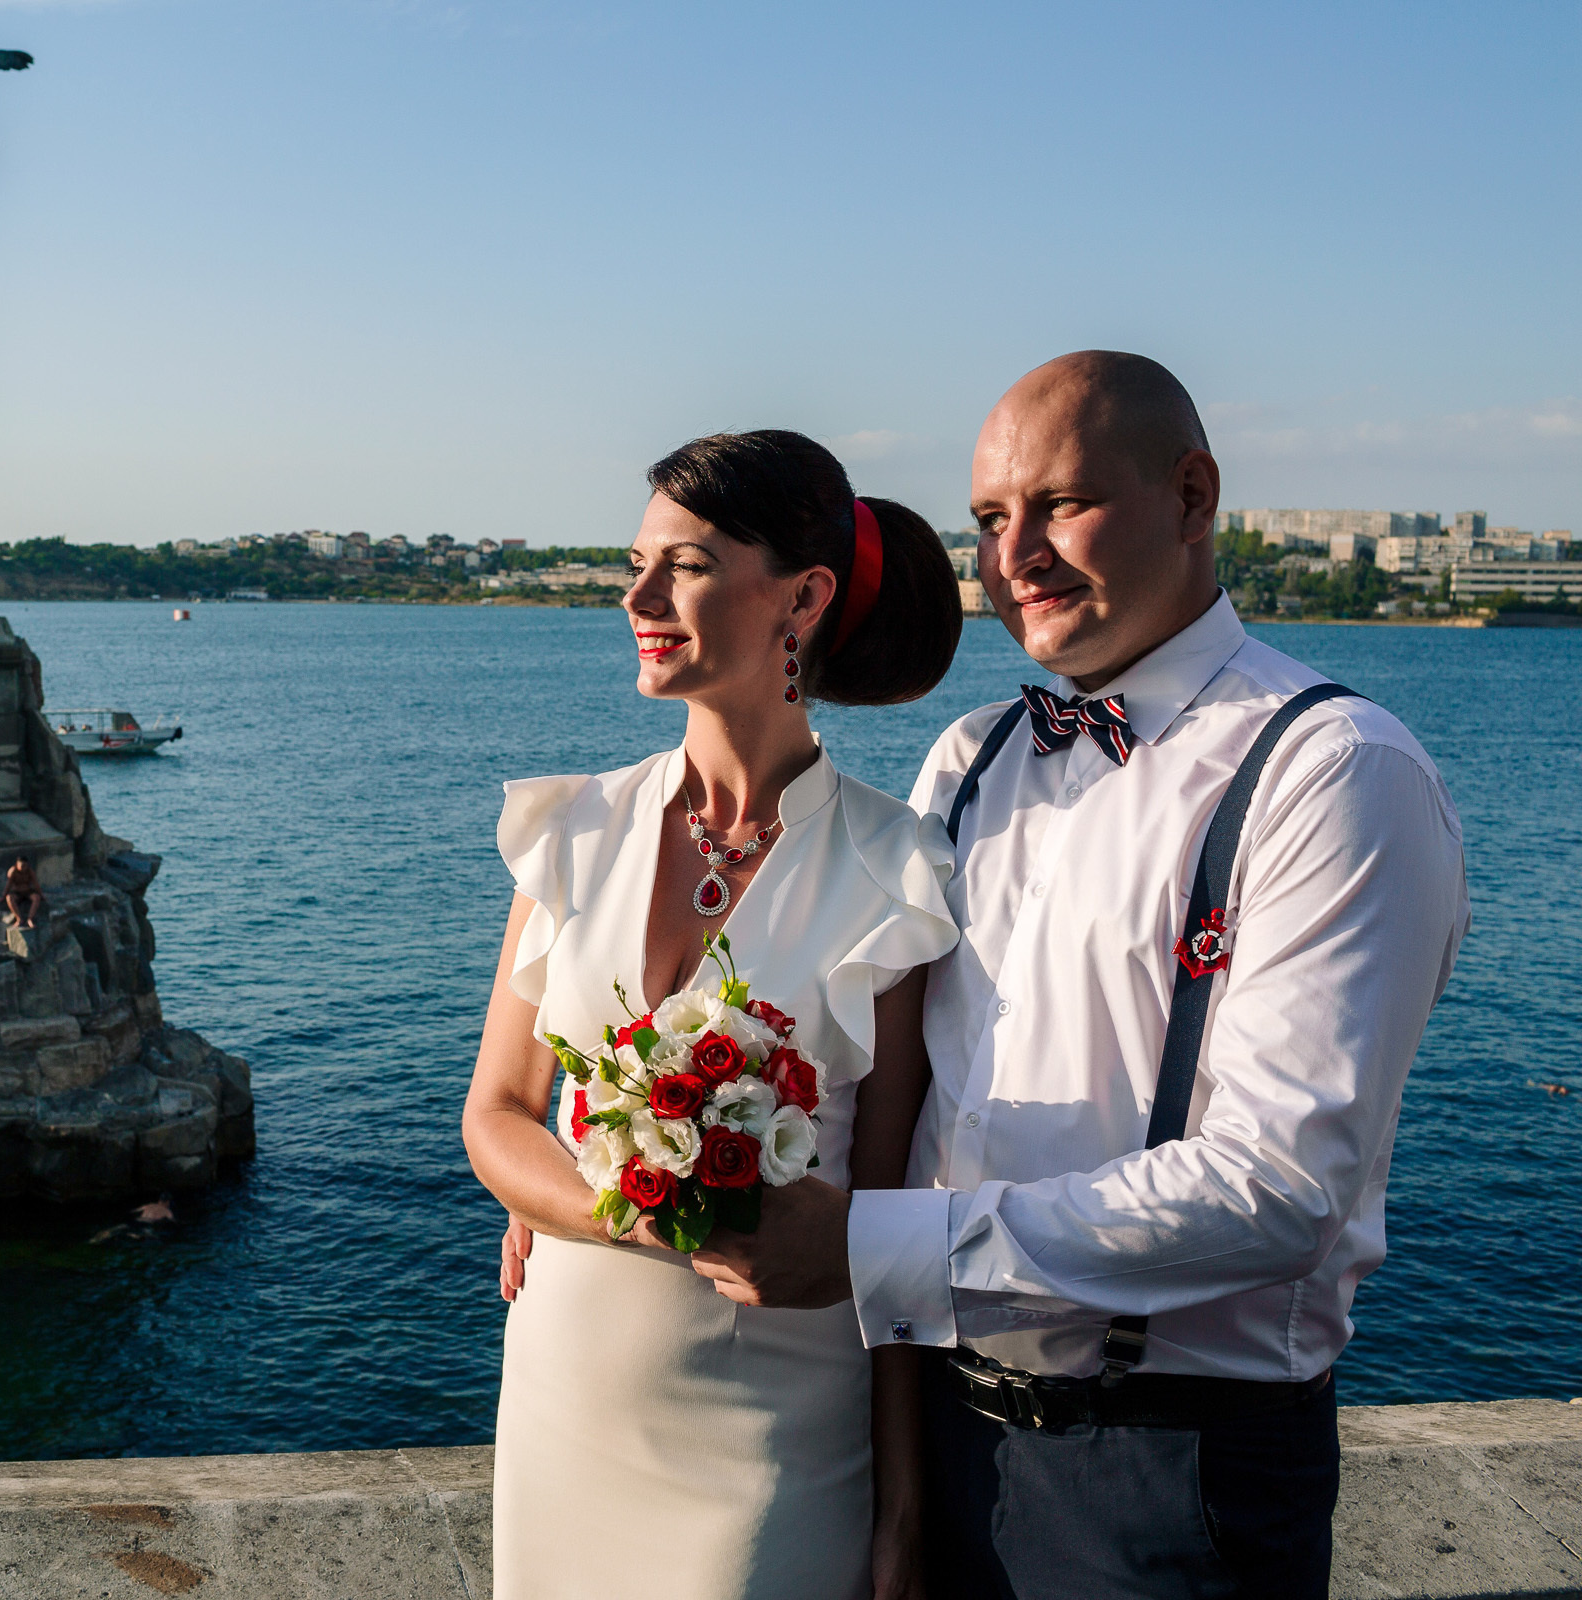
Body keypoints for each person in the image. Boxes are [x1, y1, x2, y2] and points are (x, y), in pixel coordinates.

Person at [676, 353, 1469, 1598]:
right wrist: (612, 1156)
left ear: (1193, 494)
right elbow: (879, 1081)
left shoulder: (1335, 771)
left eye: (1063, 505)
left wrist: (874, 1245)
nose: (1017, 556)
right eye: (991, 519)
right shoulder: (968, 758)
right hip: (938, 1434)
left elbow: (1280, 1188)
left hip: (1172, 1473)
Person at [465, 430, 965, 1599]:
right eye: (636, 563)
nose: (638, 596)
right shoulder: (572, 829)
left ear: (803, 597)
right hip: (562, 1400)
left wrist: (904, 1509)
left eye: (685, 566)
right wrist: (642, 1211)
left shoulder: (896, 871)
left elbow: (890, 1218)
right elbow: (497, 1115)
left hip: (772, 1434)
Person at [3, 856, 43, 929]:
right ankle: (19, 919)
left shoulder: (30, 872)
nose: (24, 868)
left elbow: (36, 884)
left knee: (36, 898)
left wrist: (41, 895)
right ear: (17, 864)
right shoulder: (13, 871)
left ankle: (30, 919)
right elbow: (8, 885)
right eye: (22, 866)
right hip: (17, 892)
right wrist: (3, 896)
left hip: (28, 892)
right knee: (9, 898)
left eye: (25, 866)